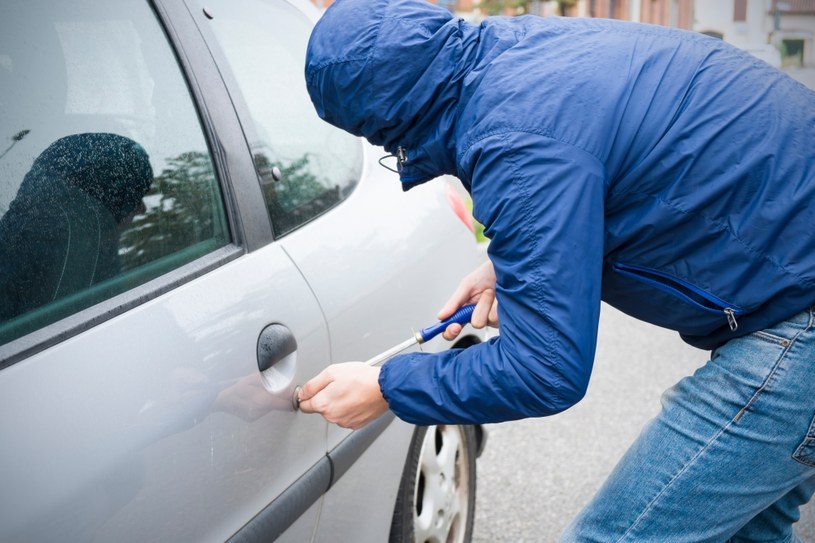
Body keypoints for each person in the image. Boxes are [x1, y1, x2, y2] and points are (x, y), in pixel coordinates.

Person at [297, 0, 815, 540]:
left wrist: (386, 386)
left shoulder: (512, 142)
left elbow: (545, 370)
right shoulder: (510, 53)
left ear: (388, 122)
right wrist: (515, 262)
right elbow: (602, 153)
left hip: (800, 313)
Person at [0, 133, 153, 321]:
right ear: (108, 205)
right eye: (134, 198)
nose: (142, 209)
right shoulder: (82, 261)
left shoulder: (15, 239)